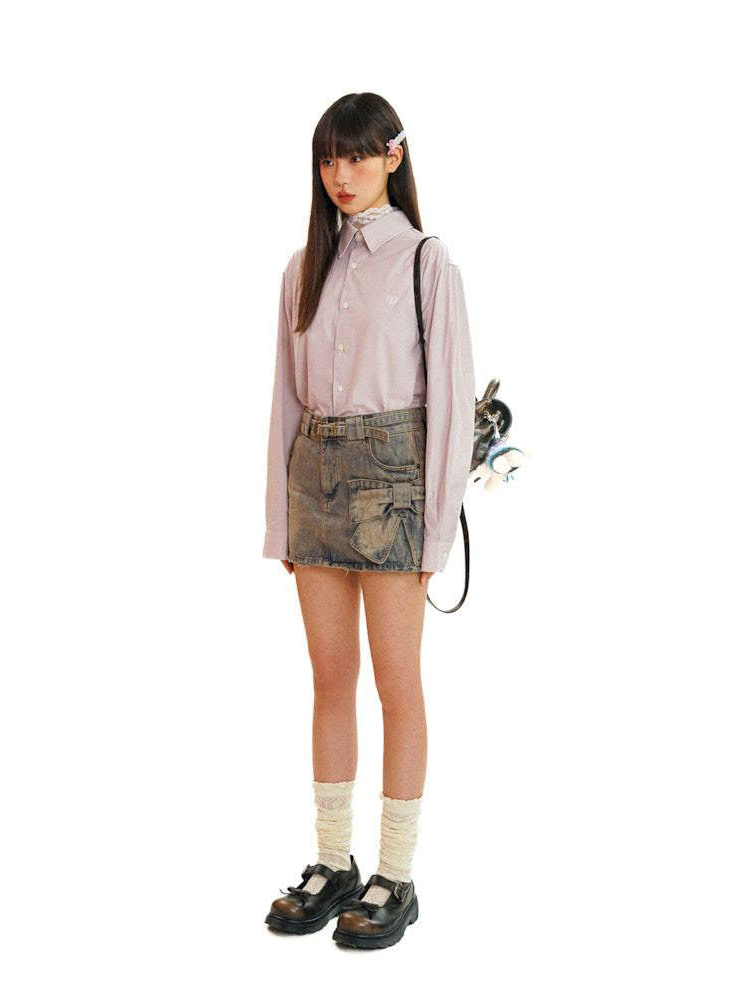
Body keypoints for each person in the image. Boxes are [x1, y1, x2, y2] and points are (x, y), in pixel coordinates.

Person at [262, 92, 476, 949]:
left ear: (394, 156)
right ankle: (332, 862)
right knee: (328, 678)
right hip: (314, 476)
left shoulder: (427, 262)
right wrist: (279, 520)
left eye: (355, 156)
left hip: (394, 483)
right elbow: (283, 402)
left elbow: (451, 403)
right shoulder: (301, 269)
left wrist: (437, 528)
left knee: (397, 683)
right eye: (327, 159)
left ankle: (396, 873)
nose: (340, 175)